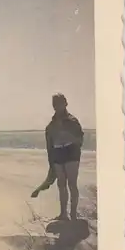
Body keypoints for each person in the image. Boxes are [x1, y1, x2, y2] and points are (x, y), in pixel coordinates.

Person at [40, 93, 84, 221]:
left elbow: (80, 138)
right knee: (61, 184)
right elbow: (49, 146)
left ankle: (73, 214)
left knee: (72, 184)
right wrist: (51, 163)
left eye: (59, 103)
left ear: (65, 103)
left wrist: (71, 139)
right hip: (58, 153)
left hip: (71, 152)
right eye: (55, 103)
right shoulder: (51, 125)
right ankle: (63, 213)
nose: (57, 106)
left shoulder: (72, 120)